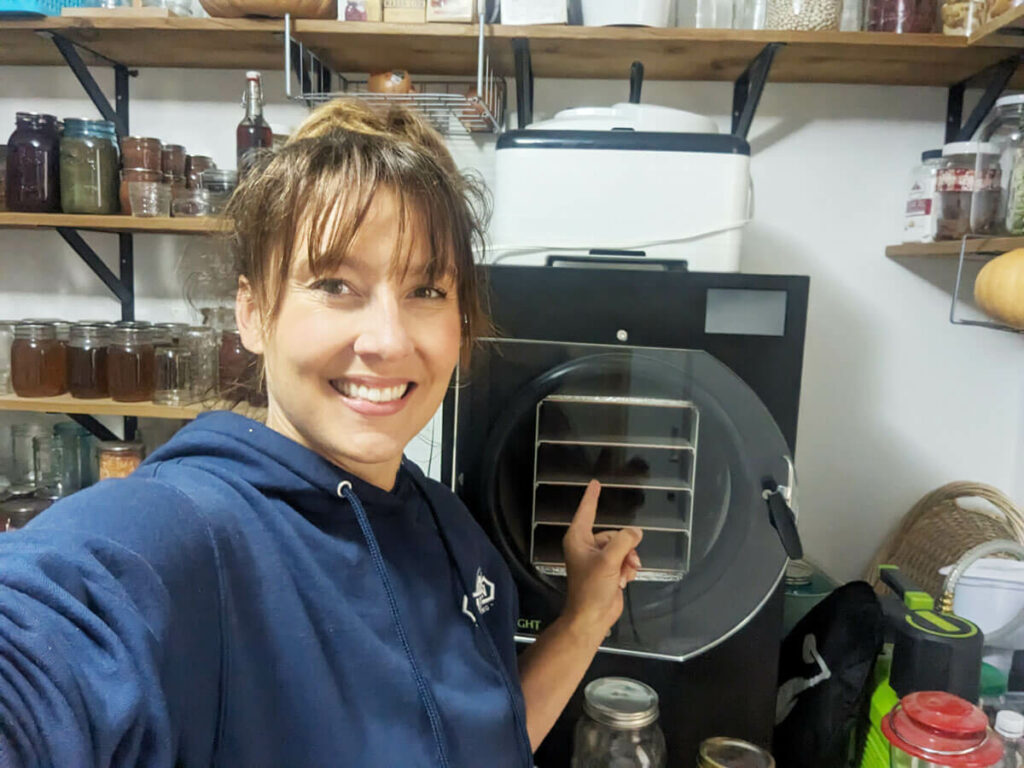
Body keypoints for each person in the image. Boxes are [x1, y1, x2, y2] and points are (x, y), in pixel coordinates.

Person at [0, 101, 642, 768]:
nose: (389, 341)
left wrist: (586, 615)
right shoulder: (185, 536)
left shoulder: (454, 536)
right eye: (336, 284)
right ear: (252, 314)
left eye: (426, 291)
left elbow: (480, 741)